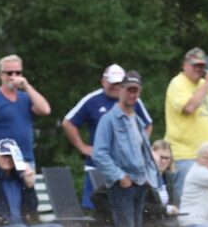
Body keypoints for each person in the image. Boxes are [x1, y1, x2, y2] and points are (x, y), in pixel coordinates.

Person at [62, 64, 153, 209]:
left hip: (127, 170)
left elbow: (148, 124)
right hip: (98, 167)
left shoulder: (133, 100)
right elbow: (68, 122)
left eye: (119, 83)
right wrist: (83, 147)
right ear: (104, 81)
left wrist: (140, 149)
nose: (115, 86)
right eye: (112, 82)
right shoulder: (92, 100)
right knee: (97, 207)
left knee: (127, 209)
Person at [92, 71, 158, 227]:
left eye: (136, 90)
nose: (132, 94)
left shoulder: (137, 120)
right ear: (121, 90)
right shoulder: (109, 119)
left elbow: (145, 152)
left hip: (141, 183)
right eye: (129, 90)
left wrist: (149, 177)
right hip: (122, 186)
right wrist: (120, 177)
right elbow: (99, 154)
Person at [164, 48, 208, 203]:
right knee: (191, 208)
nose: (199, 69)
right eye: (194, 65)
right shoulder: (178, 83)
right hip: (187, 157)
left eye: (202, 66)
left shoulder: (203, 84)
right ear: (184, 65)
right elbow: (189, 107)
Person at [0, 54, 51, 170]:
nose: (14, 76)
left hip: (25, 159)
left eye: (18, 72)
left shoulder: (26, 97)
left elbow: (45, 110)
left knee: (25, 188)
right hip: (1, 160)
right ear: (1, 75)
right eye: (9, 73)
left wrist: (27, 87)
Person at [144, 139, 179, 227]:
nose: (163, 161)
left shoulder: (168, 177)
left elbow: (174, 202)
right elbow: (143, 206)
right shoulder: (144, 177)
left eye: (167, 158)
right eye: (161, 157)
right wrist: (166, 209)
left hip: (167, 224)